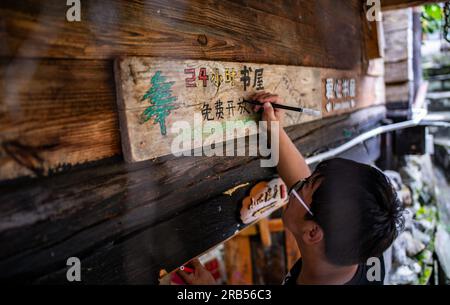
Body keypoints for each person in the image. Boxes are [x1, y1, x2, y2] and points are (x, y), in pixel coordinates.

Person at [178, 92, 404, 285]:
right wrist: (273, 128)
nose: (298, 182)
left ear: (313, 232)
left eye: (305, 185)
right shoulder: (363, 241)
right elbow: (307, 189)